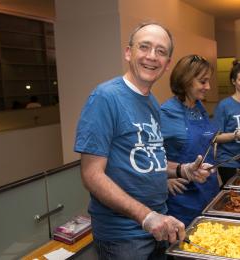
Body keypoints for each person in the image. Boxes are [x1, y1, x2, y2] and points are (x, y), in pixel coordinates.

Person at [74, 22, 212, 260]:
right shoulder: (105, 97)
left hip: (159, 225)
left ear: (168, 64)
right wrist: (146, 216)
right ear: (129, 52)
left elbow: (149, 159)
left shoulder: (152, 103)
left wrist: (182, 169)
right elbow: (91, 175)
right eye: (144, 47)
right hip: (123, 237)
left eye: (161, 51)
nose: (152, 56)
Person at [160, 55, 220, 226]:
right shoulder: (166, 112)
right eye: (203, 82)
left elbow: (208, 139)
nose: (208, 87)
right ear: (186, 81)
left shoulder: (199, 106)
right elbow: (151, 156)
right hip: (184, 199)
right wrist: (163, 179)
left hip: (208, 190)